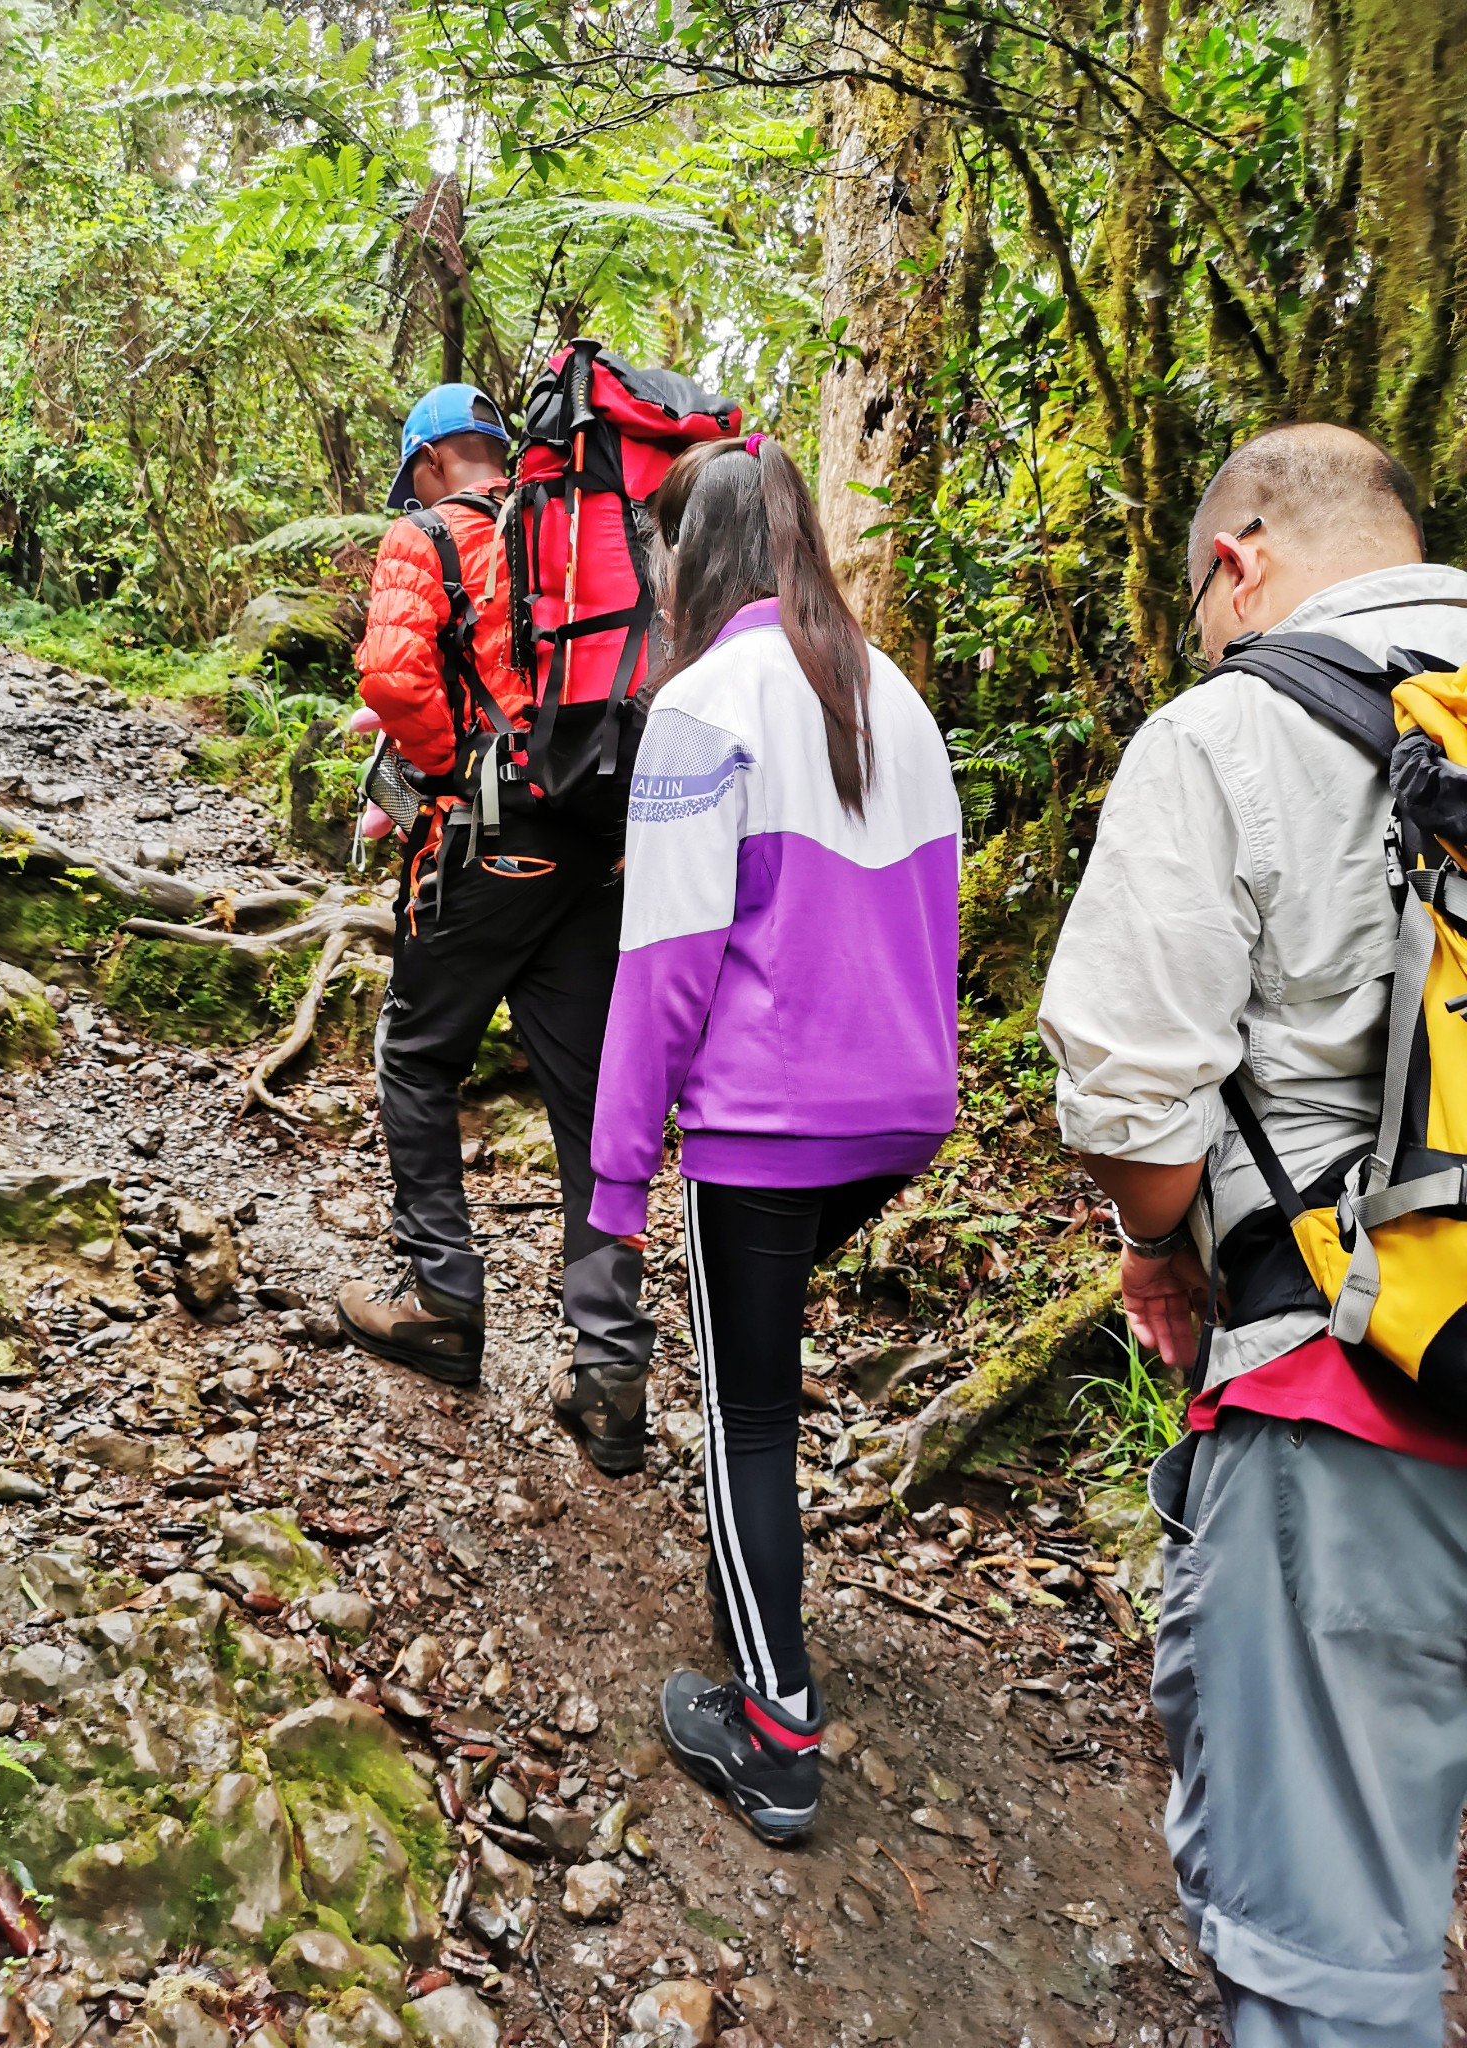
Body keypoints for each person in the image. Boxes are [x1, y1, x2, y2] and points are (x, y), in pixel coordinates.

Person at [1039, 422, 1467, 2047]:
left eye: (1201, 603)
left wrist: (1165, 1241)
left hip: (1352, 1411)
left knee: (1328, 1970)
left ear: (1240, 557)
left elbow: (1130, 1098)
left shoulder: (1233, 729)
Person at [588, 433, 961, 1842]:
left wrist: (619, 1181)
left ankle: (774, 1727)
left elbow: (666, 963)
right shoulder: (897, 700)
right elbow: (932, 926)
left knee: (749, 1408)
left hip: (765, 1124)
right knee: (767, 1362)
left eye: (665, 549)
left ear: (696, 559)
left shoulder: (705, 702)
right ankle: (770, 1606)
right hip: (900, 1118)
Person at [336, 382, 655, 1473]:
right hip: (596, 851)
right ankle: (610, 1373)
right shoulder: (573, 541)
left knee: (416, 1054)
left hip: (491, 844)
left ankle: (441, 1300)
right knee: (586, 1104)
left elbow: (391, 673)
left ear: (430, 463)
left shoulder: (428, 533)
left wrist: (441, 776)